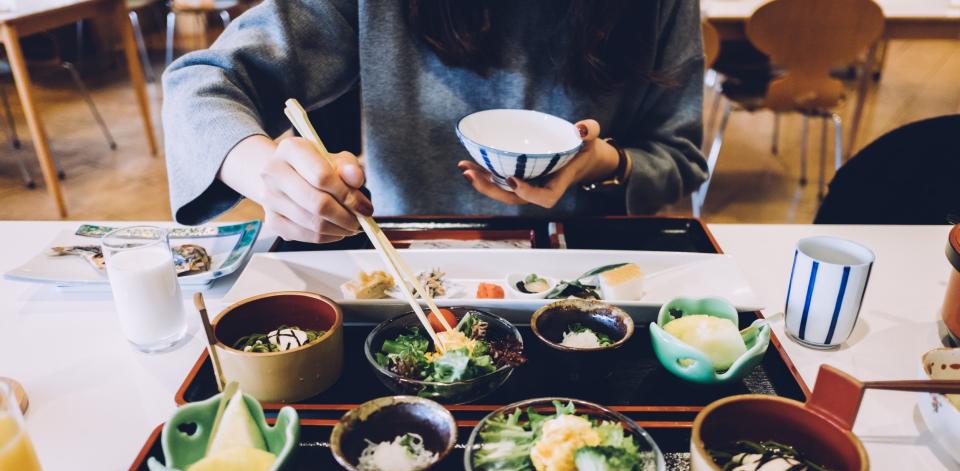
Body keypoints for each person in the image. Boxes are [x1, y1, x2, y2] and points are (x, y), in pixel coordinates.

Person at [163, 0, 707, 243]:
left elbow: (679, 156)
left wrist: (600, 162)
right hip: (406, 252)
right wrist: (268, 175)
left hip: (582, 262)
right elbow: (202, 81)